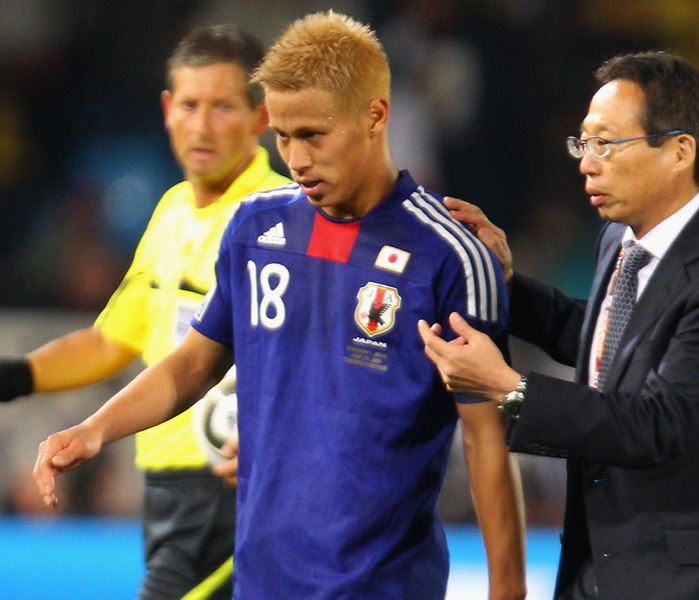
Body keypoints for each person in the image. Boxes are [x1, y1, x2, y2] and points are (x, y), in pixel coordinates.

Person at [34, 11, 527, 600]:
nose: (295, 158)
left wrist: (508, 590)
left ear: (375, 115)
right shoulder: (255, 226)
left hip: (383, 584)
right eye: (283, 136)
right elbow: (195, 363)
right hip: (264, 579)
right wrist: (94, 430)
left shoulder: (447, 254)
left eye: (313, 135)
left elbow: (485, 437)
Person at [418, 51, 699, 600]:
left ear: (679, 152)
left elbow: (657, 422)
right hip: (606, 572)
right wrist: (507, 285)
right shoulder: (620, 242)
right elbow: (610, 345)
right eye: (583, 143)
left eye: (606, 143)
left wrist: (508, 388)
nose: (586, 162)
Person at [1, 24, 289, 599]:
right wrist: (16, 376)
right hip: (167, 492)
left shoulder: (277, 220)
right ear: (166, 109)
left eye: (223, 107)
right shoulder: (174, 210)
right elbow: (114, 340)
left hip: (234, 490)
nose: (202, 126)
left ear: (261, 117)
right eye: (189, 104)